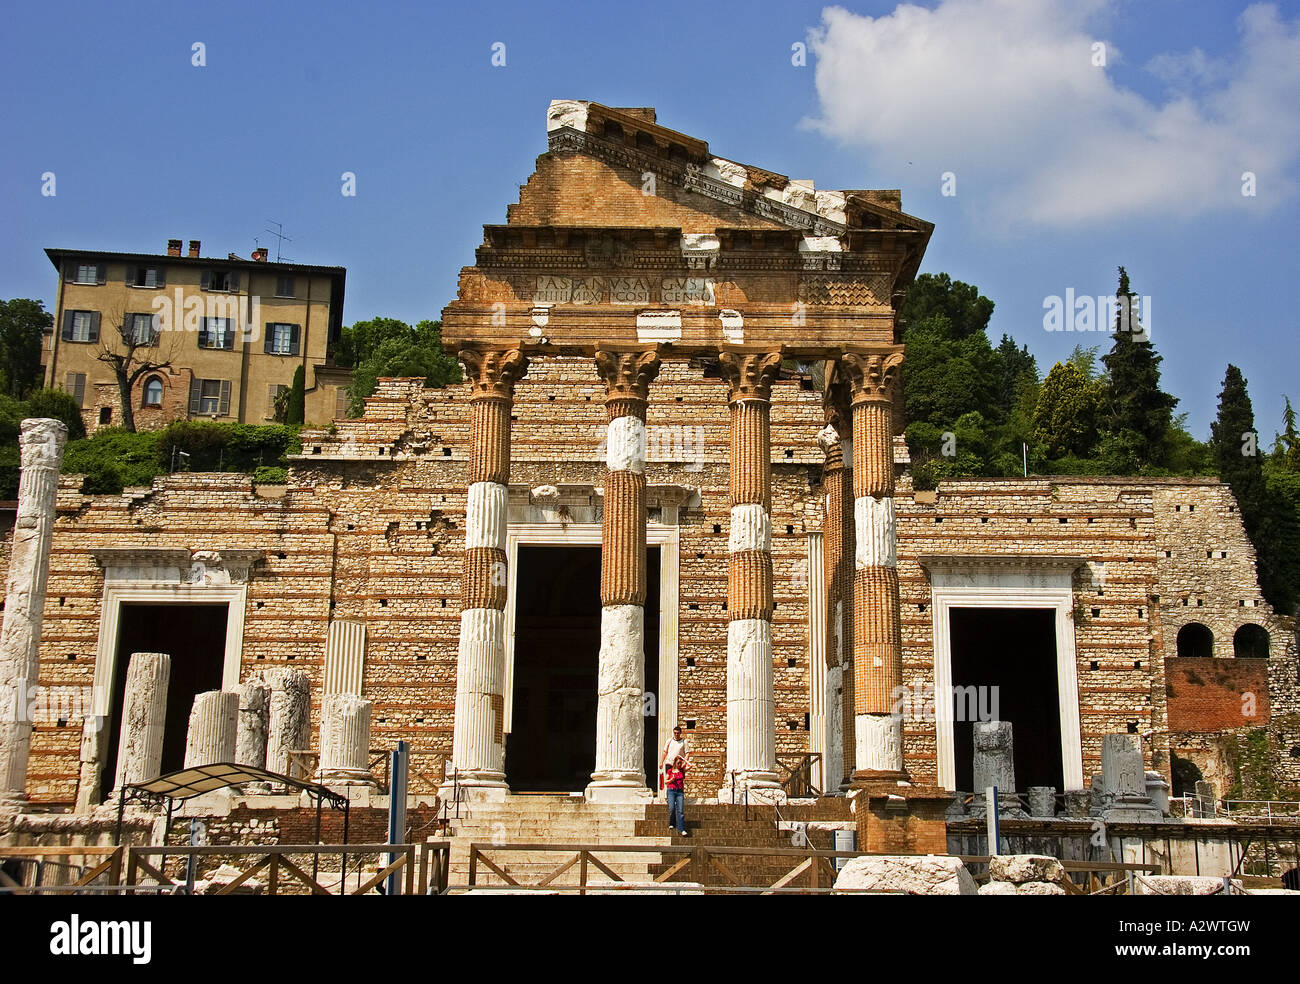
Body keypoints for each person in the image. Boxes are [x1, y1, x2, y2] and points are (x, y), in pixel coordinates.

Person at [665, 755, 689, 836]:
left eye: (680, 763)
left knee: (680, 810)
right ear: (675, 763)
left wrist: (684, 759)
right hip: (671, 791)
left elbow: (691, 766)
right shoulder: (670, 771)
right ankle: (672, 823)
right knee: (672, 809)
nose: (679, 764)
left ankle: (681, 829)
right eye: (678, 763)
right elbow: (665, 781)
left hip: (680, 792)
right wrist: (671, 780)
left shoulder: (682, 770)